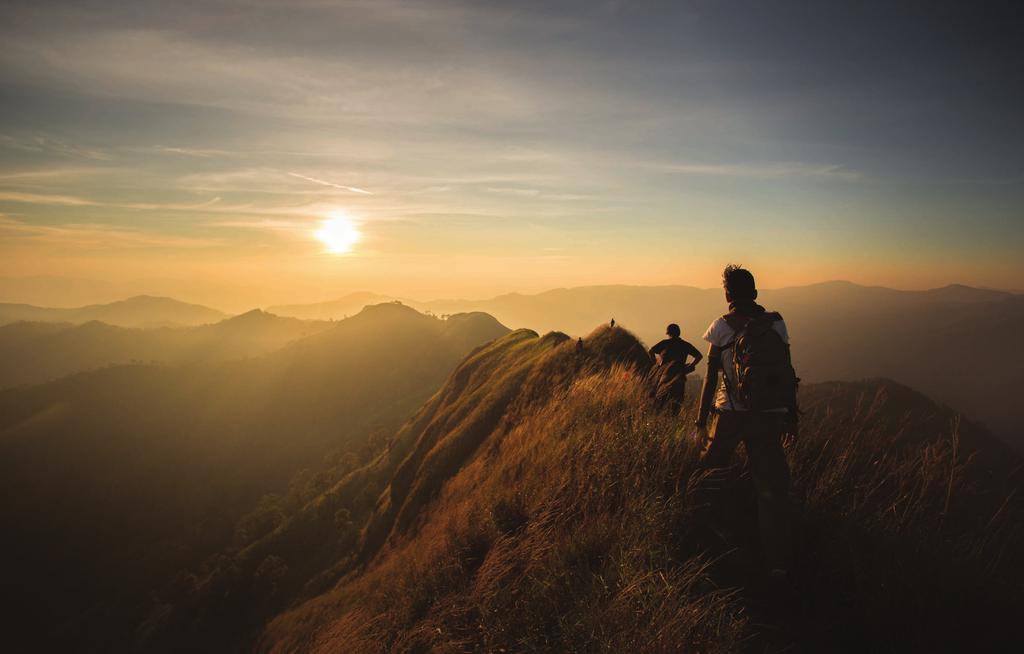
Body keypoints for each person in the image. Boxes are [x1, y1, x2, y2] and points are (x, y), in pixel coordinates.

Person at [694, 264, 798, 582]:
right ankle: (777, 562)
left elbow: (711, 377)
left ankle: (707, 547)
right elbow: (787, 372)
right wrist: (790, 414)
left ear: (727, 295)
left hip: (731, 415)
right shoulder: (776, 324)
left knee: (707, 477)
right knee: (771, 490)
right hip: (769, 415)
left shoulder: (721, 327)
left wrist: (701, 419)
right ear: (754, 293)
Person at [649, 323, 702, 415]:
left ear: (668, 333)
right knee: (676, 404)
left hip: (663, 376)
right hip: (679, 376)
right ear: (679, 333)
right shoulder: (685, 345)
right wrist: (690, 366)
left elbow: (651, 351)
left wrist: (656, 364)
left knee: (658, 402)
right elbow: (699, 356)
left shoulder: (665, 343)